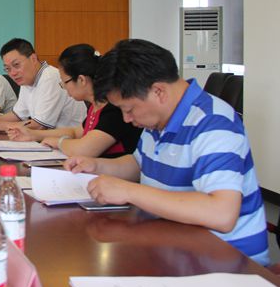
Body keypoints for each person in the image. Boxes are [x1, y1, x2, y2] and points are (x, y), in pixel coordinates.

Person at [65, 38, 269, 264]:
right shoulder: (158, 119)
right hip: (173, 245)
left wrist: (129, 191)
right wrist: (96, 165)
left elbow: (221, 213)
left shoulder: (213, 122)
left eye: (129, 109)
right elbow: (138, 164)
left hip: (227, 263)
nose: (127, 119)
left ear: (158, 91)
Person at [6, 44, 141, 157]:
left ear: (81, 80)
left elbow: (85, 148)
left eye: (65, 82)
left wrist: (58, 142)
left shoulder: (113, 108)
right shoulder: (95, 105)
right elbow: (76, 132)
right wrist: (32, 134)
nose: (63, 87)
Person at [0, 38, 85, 131]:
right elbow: (17, 115)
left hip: (69, 143)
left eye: (16, 65)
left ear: (33, 59)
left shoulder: (50, 78)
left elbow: (39, 126)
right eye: (8, 69)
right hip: (47, 140)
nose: (13, 73)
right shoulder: (27, 80)